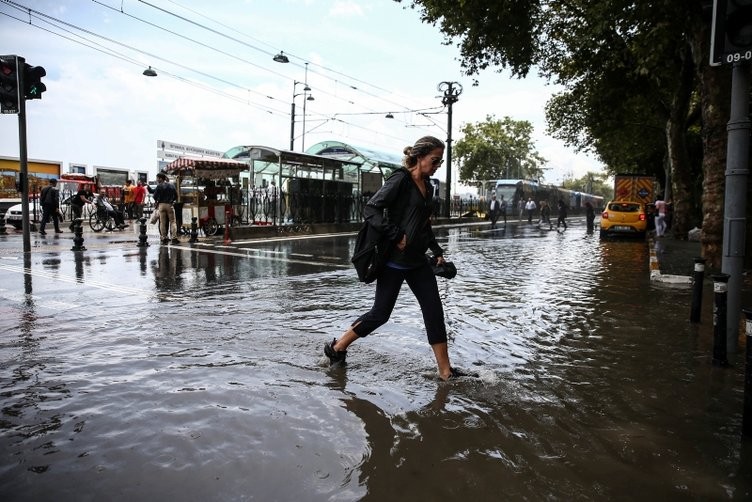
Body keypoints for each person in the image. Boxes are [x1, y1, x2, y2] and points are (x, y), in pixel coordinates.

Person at [323, 136, 472, 381]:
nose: (437, 165)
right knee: (380, 314)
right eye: (434, 160)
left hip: (417, 262)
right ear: (420, 157)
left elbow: (423, 225)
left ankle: (445, 372)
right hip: (393, 262)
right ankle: (337, 347)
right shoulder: (400, 179)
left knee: (434, 311)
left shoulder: (428, 186)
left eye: (440, 161)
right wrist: (395, 234)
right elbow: (371, 208)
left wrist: (437, 252)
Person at [153, 172, 179, 244]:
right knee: (173, 222)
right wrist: (172, 200)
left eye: (157, 178)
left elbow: (154, 196)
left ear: (161, 178)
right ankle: (174, 238)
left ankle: (164, 237)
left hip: (161, 205)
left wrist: (158, 199)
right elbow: (176, 196)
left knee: (162, 222)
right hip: (169, 205)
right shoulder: (172, 185)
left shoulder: (159, 186)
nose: (157, 179)